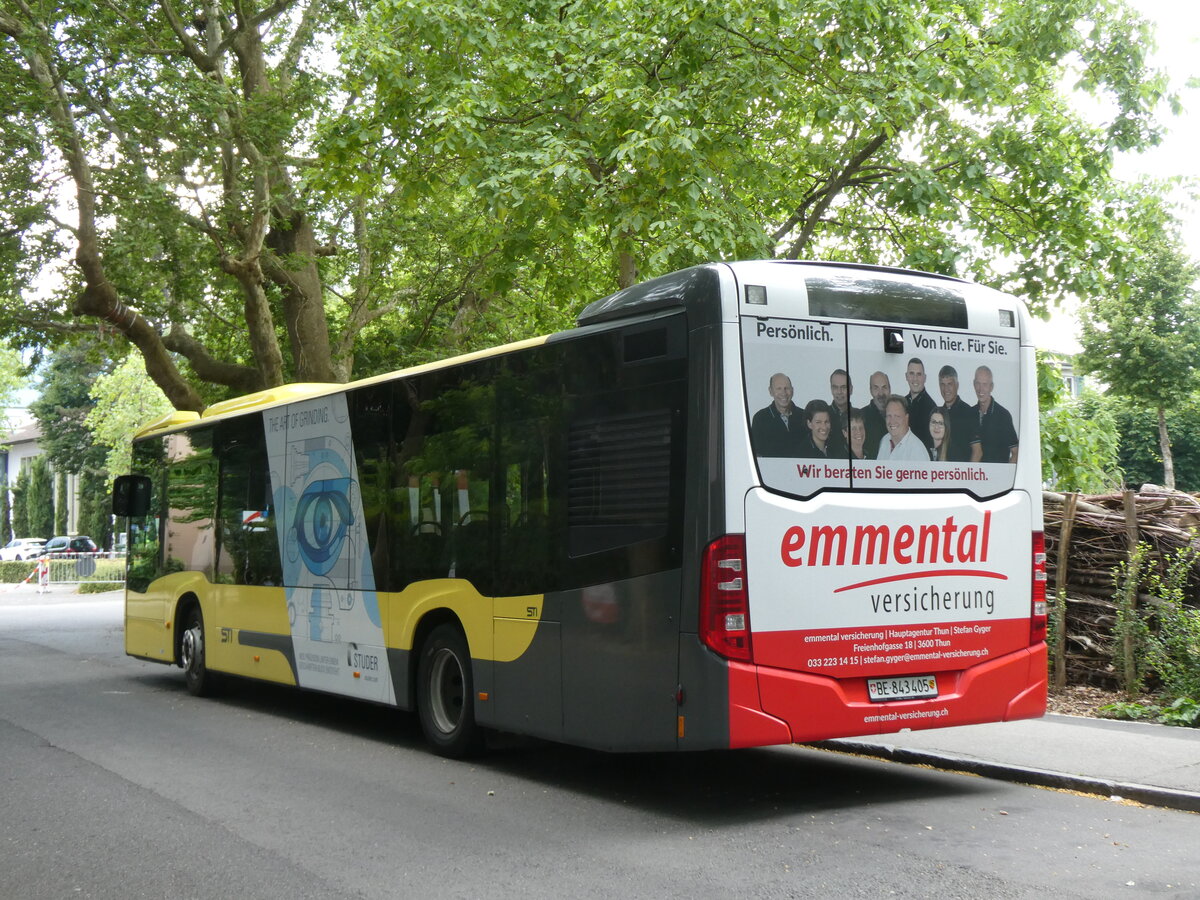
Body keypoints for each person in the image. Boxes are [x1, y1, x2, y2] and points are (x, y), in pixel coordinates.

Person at [751, 373, 806, 457]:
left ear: (792, 390)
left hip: (800, 469)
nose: (783, 393)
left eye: (786, 388)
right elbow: (757, 454)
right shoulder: (760, 418)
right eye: (778, 389)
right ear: (771, 391)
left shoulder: (804, 416)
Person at [973, 365, 1019, 463]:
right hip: (974, 476)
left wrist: (1005, 475)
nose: (981, 389)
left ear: (991, 387)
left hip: (996, 476)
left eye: (985, 384)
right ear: (973, 384)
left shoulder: (1003, 416)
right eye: (978, 384)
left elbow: (1016, 452)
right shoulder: (969, 413)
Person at [937, 365, 982, 462]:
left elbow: (977, 452)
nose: (946, 389)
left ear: (957, 385)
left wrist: (967, 476)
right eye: (942, 384)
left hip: (961, 474)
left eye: (950, 384)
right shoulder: (938, 414)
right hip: (941, 473)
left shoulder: (969, 413)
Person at [904, 358, 938, 448]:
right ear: (906, 376)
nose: (915, 379)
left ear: (925, 378)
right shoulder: (902, 404)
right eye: (911, 374)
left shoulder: (931, 408)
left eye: (919, 374)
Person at [860, 371, 890, 459]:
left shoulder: (900, 415)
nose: (881, 393)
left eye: (884, 387)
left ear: (890, 389)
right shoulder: (861, 416)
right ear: (871, 390)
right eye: (876, 388)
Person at [826, 369, 853, 455]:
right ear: (831, 389)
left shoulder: (859, 416)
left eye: (843, 387)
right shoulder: (823, 417)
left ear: (851, 389)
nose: (839, 392)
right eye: (835, 387)